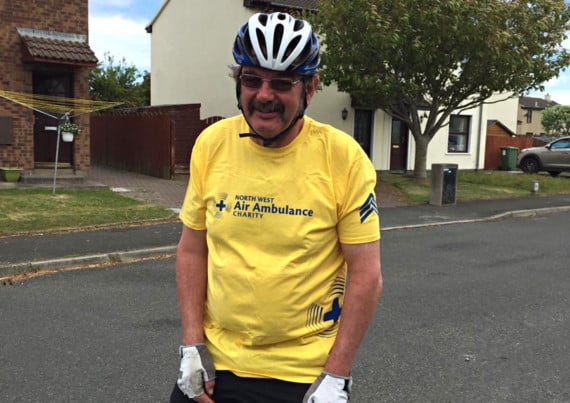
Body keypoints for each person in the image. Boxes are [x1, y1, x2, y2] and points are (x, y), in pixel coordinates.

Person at [170, 11, 383, 403]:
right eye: (252, 80)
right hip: (216, 367)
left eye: (282, 83)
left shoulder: (344, 158)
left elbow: (366, 275)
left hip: (301, 374)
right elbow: (192, 249)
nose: (264, 95)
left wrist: (337, 374)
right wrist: (191, 345)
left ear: (310, 88)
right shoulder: (211, 144)